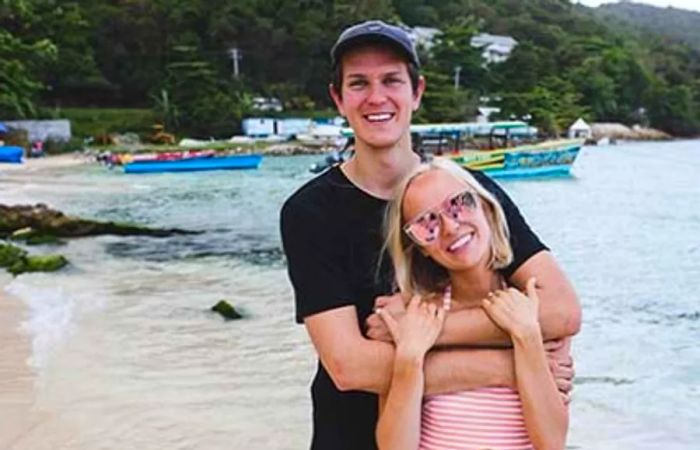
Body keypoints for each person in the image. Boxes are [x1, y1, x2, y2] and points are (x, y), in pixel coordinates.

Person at [280, 20, 580, 450]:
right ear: (338, 98)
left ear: (417, 92)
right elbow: (350, 367)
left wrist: (419, 332)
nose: (377, 97)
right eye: (359, 83)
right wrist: (513, 364)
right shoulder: (310, 213)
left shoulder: (468, 195)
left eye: (392, 81)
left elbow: (561, 311)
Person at [376, 158, 568, 450]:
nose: (450, 227)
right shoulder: (414, 318)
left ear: (488, 210)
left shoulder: (534, 310)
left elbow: (552, 442)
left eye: (460, 203)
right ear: (420, 249)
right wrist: (409, 360)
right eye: (427, 223)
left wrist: (527, 336)